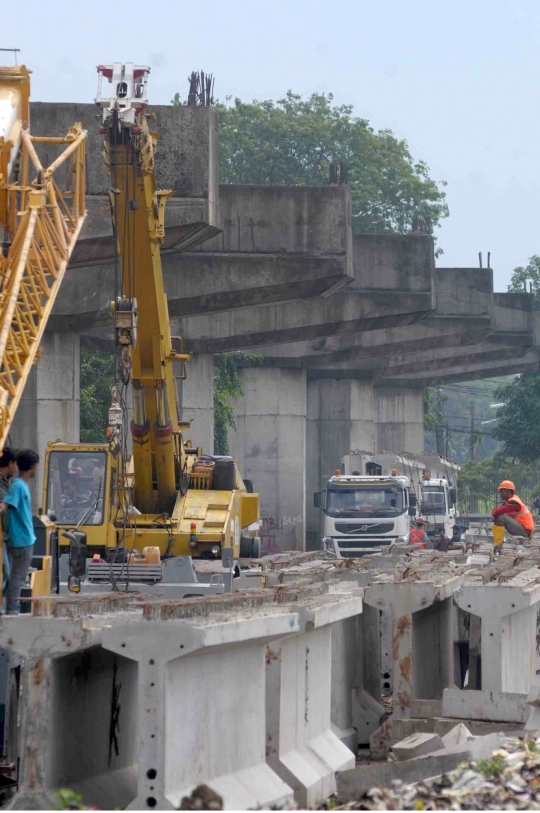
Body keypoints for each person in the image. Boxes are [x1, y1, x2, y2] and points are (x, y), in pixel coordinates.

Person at [0, 449, 39, 615]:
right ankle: (12, 610)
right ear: (32, 467)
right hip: (21, 540)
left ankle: (10, 608)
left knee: (14, 577)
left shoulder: (19, 485)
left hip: (23, 539)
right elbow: (5, 505)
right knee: (17, 578)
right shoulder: (17, 486)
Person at [0, 449, 17, 594]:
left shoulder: (7, 484)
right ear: (10, 464)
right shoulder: (2, 487)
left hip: (7, 538)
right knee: (6, 574)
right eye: (15, 464)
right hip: (3, 538)